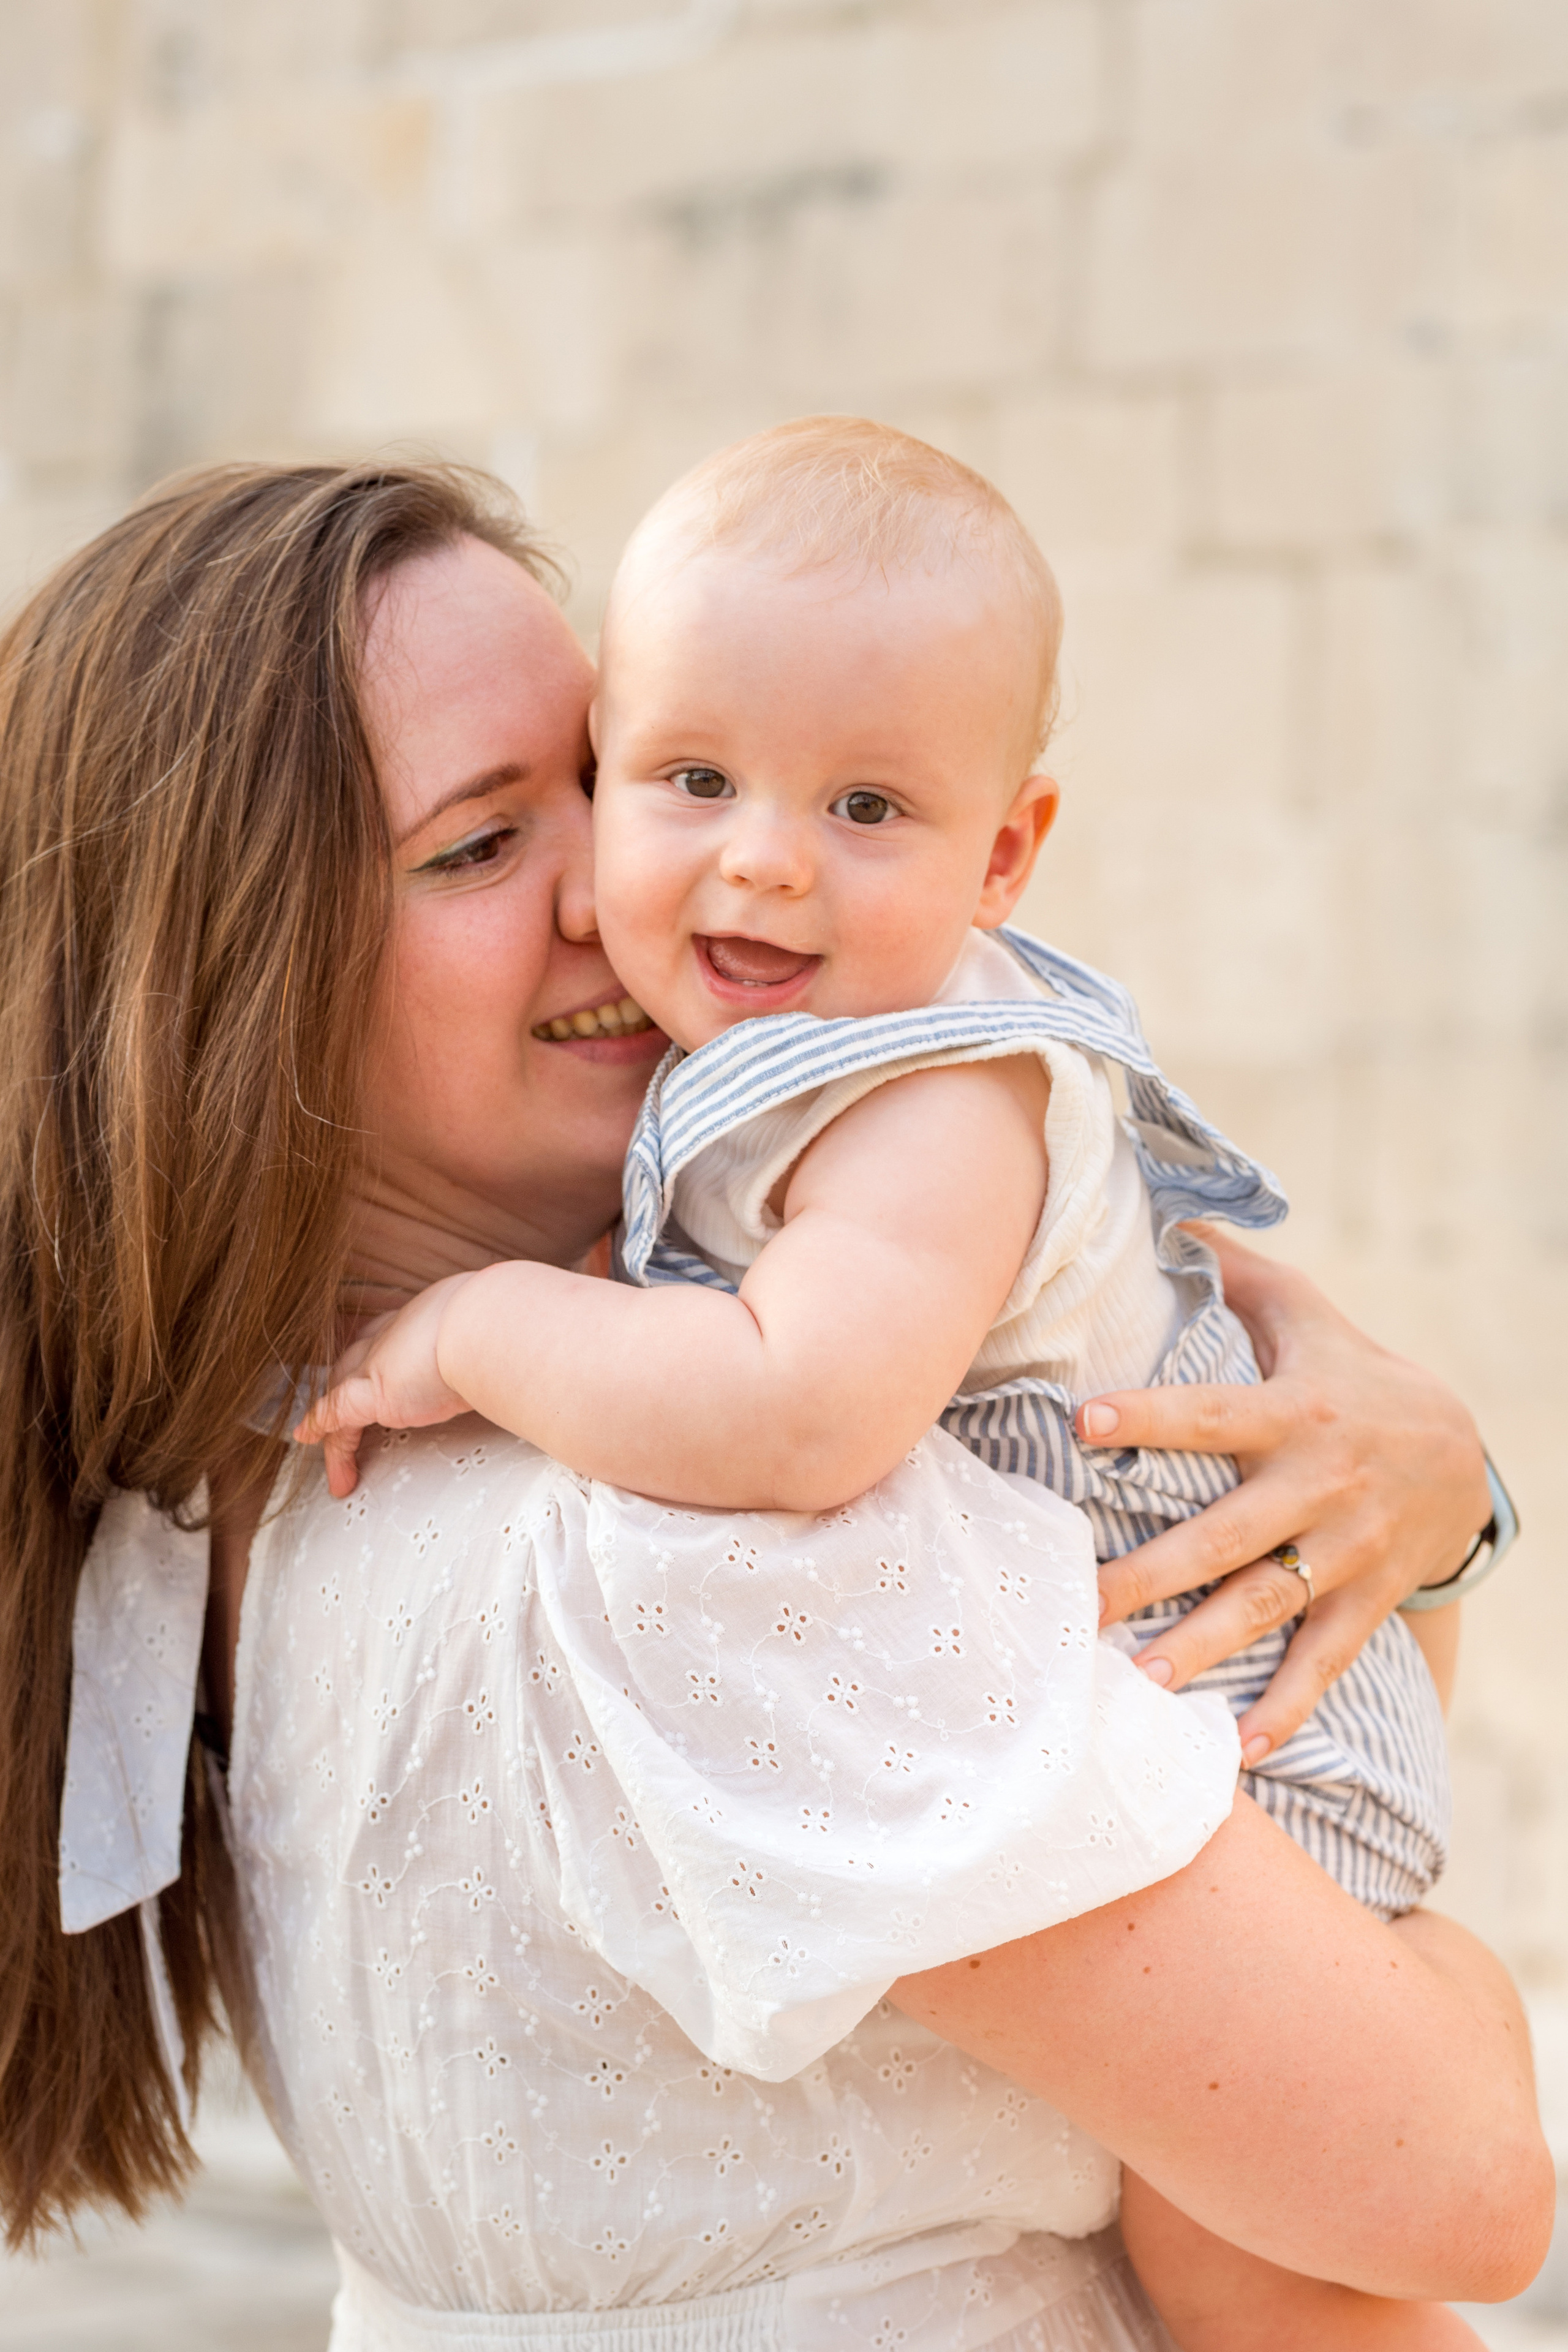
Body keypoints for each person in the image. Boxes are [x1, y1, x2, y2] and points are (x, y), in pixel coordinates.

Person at [0, 462, 1545, 2352]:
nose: (639, 882)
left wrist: (1419, 1500)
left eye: (606, 773)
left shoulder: (225, 1500)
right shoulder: (692, 1542)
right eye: (480, 846)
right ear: (227, 981)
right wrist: (1462, 1936)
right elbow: (1457, 2185)